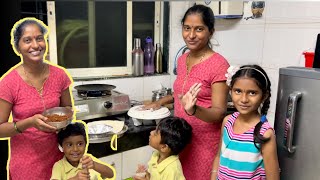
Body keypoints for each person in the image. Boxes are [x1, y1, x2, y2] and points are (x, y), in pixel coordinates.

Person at [143, 4, 229, 179]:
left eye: (199, 29)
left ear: (211, 32)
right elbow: (180, 94)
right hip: (179, 141)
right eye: (187, 28)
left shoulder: (219, 65)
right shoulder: (183, 59)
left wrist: (194, 110)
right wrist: (160, 102)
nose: (191, 35)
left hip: (203, 143)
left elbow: (219, 112)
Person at [0, 17, 73, 179]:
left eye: (39, 38)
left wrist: (64, 120)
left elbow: (68, 108)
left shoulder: (59, 75)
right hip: (26, 164)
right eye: (27, 40)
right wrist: (29, 122)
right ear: (17, 47)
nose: (35, 45)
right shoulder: (8, 83)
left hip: (58, 159)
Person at [211, 65, 280, 180]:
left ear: (264, 96)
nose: (244, 99)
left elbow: (273, 177)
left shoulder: (265, 133)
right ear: (230, 91)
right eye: (238, 91)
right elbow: (219, 156)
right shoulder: (227, 121)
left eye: (252, 93)